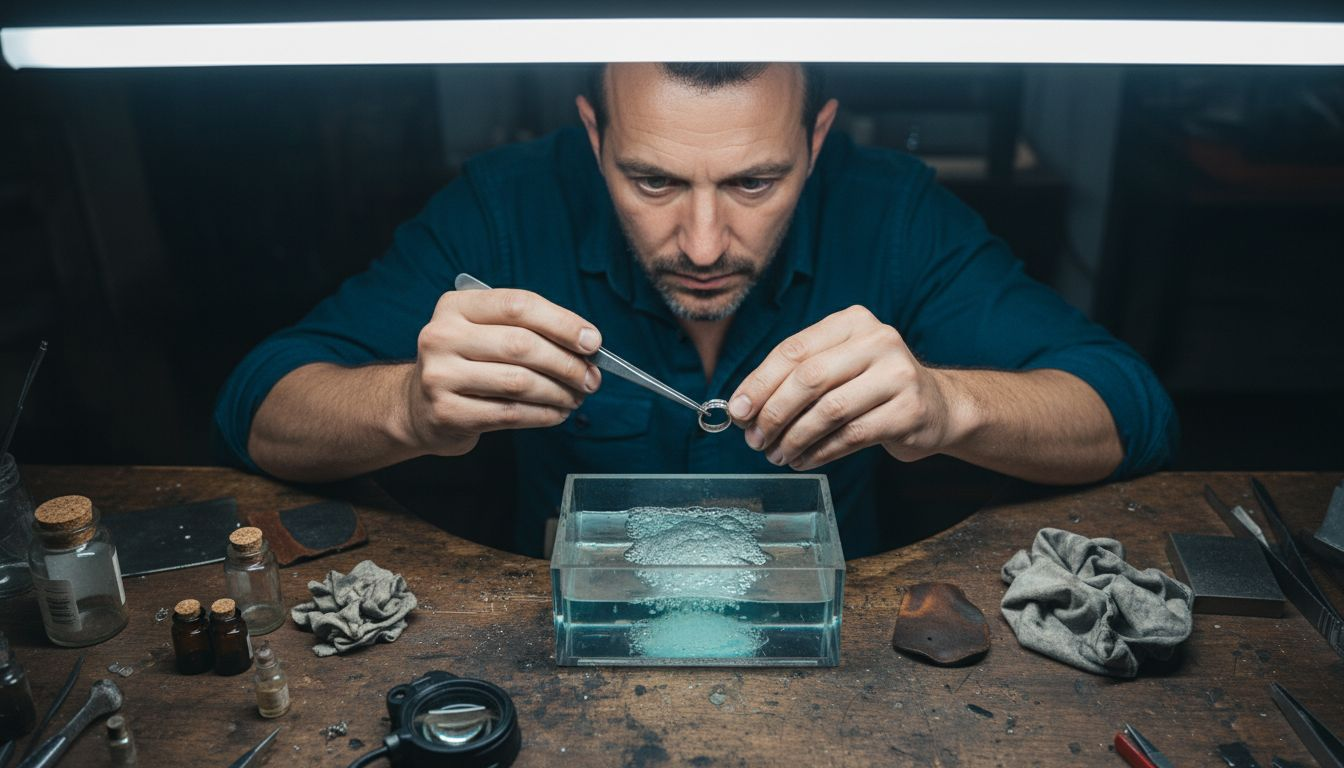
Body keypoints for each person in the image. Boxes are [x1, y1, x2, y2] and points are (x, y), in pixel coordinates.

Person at [214, 62, 1177, 557]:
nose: (706, 244)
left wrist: (947, 406)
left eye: (758, 181)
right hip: (564, 648)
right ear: (594, 136)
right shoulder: (505, 208)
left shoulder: (892, 212)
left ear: (819, 135)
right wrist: (407, 409)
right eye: (653, 180)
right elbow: (257, 408)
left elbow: (1130, 412)